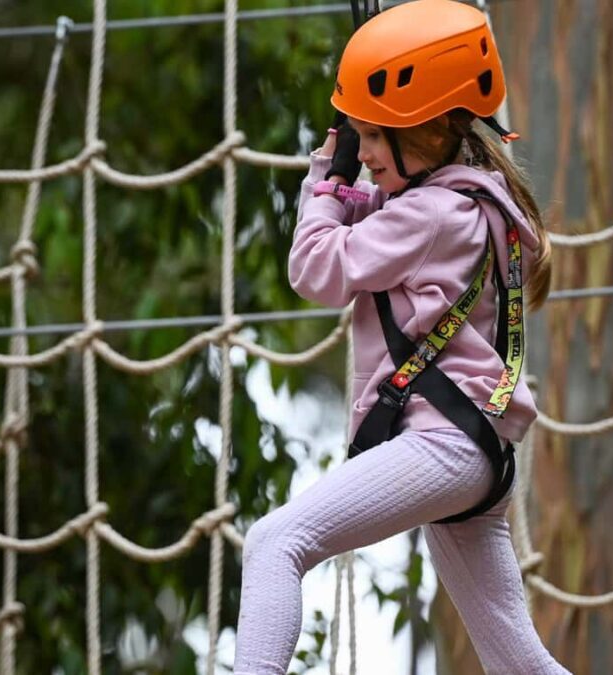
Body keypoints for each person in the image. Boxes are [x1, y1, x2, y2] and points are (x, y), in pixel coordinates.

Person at [234, 1, 571, 673]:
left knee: (275, 543)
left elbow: (315, 267)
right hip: (476, 448)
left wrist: (328, 180)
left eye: (372, 136)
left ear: (430, 130)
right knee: (519, 662)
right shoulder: (468, 201)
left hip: (444, 444)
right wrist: (350, 182)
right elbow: (382, 223)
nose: (363, 153)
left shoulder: (428, 215)